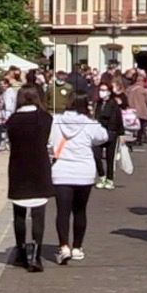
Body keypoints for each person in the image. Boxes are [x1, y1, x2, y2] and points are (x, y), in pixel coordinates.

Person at [49, 95, 108, 265]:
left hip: (61, 171)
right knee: (80, 211)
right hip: (84, 172)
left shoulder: (56, 120)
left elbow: (50, 139)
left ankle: (63, 246)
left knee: (62, 212)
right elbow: (103, 137)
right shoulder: (90, 124)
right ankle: (77, 247)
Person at [4, 84, 54, 271]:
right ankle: (36, 253)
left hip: (18, 167)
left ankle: (20, 251)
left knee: (19, 213)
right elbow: (50, 142)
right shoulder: (45, 118)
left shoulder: (13, 120)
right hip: (39, 167)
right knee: (38, 213)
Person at [93, 84, 125, 190]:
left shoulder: (113, 104)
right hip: (98, 133)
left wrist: (121, 134)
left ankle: (110, 179)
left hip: (111, 133)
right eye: (100, 90)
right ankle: (102, 176)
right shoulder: (98, 103)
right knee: (96, 155)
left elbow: (118, 119)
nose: (101, 92)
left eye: (104, 90)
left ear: (109, 92)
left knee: (110, 158)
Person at [124, 74, 147, 147]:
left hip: (131, 111)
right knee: (141, 127)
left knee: (130, 126)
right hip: (142, 111)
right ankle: (139, 140)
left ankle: (131, 138)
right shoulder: (144, 90)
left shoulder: (128, 89)